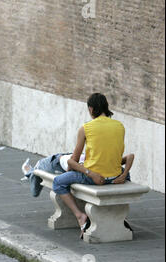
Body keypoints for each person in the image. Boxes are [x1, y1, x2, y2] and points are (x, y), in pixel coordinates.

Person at [52, 93, 131, 239]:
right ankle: (121, 217)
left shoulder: (86, 128)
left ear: (91, 109)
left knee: (58, 182)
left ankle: (80, 215)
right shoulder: (120, 126)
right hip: (115, 175)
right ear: (106, 108)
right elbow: (115, 153)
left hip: (93, 176)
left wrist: (72, 168)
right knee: (124, 173)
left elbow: (75, 158)